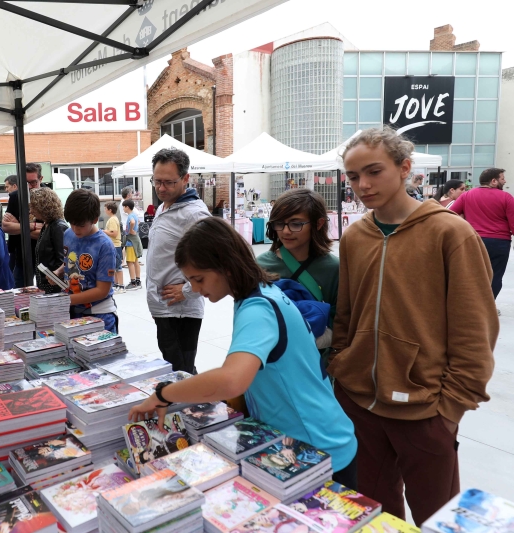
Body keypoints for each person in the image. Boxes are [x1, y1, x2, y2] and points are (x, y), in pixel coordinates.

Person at [332, 127, 497, 525]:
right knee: (376, 513)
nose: (363, 185)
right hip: (359, 402)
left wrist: (451, 408)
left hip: (425, 409)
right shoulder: (355, 236)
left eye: (373, 172)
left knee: (437, 515)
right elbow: (346, 313)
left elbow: (475, 328)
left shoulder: (450, 232)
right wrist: (341, 365)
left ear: (405, 167)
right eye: (353, 177)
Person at [128, 216, 358, 488]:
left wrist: (163, 394)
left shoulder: (258, 309)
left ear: (225, 265)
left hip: (316, 448)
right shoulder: (257, 294)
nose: (197, 290)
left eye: (199, 279)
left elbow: (231, 379)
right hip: (299, 441)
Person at [145, 148, 209, 374]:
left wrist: (189, 290)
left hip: (181, 311)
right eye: (157, 181)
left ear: (185, 179)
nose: (161, 188)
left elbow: (217, 262)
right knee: (176, 370)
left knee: (181, 373)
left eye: (169, 182)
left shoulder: (195, 215)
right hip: (164, 308)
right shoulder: (164, 206)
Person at [256, 189, 339, 327]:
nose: (286, 231)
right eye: (279, 223)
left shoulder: (334, 268)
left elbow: (341, 320)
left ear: (318, 223)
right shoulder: (260, 265)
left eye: (296, 224)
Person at [55, 189, 118, 333]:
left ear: (95, 219)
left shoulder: (104, 245)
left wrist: (66, 300)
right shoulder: (68, 234)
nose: (76, 229)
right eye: (71, 223)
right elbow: (70, 262)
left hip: (99, 315)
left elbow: (102, 291)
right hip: (72, 312)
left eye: (81, 225)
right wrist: (58, 271)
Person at [449, 168, 514, 301]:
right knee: (495, 275)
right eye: (502, 178)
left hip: (474, 240)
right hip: (499, 242)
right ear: (494, 181)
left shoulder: (467, 195)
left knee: (473, 274)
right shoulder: (506, 197)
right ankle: (488, 305)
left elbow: (450, 214)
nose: (505, 181)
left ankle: (472, 305)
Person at [2, 164, 45, 287]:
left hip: (43, 255)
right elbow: (5, 227)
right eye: (26, 183)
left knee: (43, 291)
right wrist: (32, 226)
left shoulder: (47, 196)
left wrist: (18, 225)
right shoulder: (16, 196)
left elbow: (46, 234)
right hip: (20, 254)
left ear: (41, 179)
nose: (30, 187)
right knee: (19, 292)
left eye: (33, 183)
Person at [30, 188, 68, 295]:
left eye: (33, 207)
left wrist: (56, 275)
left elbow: (63, 259)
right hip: (47, 285)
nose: (31, 211)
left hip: (54, 287)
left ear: (43, 207)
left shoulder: (57, 227)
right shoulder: (47, 225)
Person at [103, 201, 125, 294]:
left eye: (105, 209)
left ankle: (121, 286)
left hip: (115, 245)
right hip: (114, 245)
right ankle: (116, 284)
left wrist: (103, 231)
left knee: (118, 267)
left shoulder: (112, 220)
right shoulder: (114, 218)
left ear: (110, 210)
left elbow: (114, 233)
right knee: (114, 266)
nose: (104, 210)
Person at [122, 199, 143, 290]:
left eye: (124, 207)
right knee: (136, 262)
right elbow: (137, 222)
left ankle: (133, 282)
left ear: (127, 207)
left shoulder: (130, 216)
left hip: (130, 242)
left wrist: (130, 230)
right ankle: (138, 281)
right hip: (135, 240)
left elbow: (133, 222)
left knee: (130, 262)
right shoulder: (134, 214)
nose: (123, 208)